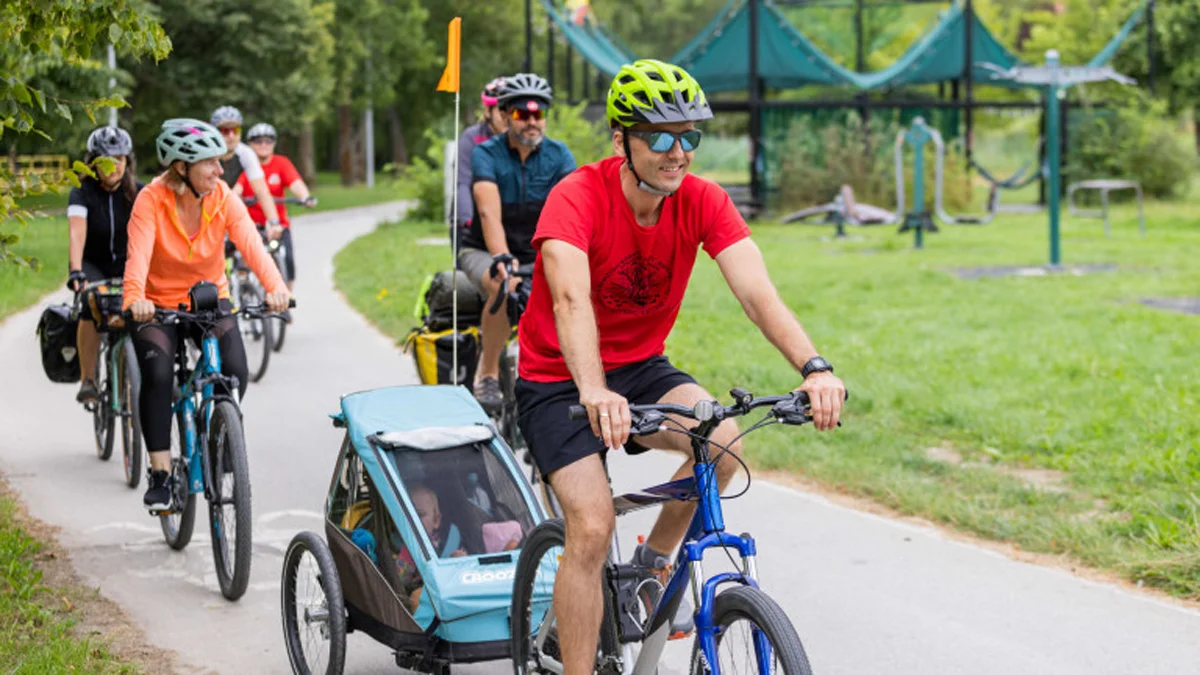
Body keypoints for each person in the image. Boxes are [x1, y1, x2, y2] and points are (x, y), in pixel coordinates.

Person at [514, 60, 847, 675]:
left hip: (640, 368)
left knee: (722, 442)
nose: (678, 152)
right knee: (590, 525)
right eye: (661, 137)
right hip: (557, 379)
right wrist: (593, 390)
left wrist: (815, 367)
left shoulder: (702, 200)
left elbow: (757, 293)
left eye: (689, 135)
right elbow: (568, 299)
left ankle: (652, 564)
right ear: (621, 141)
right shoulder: (576, 197)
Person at [123, 118, 289, 512]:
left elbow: (251, 244)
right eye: (210, 164)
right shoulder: (151, 200)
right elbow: (138, 257)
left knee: (234, 370)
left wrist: (276, 287)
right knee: (159, 375)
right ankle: (161, 473)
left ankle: (220, 441)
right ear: (182, 167)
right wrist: (135, 298)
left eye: (220, 163)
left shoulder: (223, 197)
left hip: (208, 300)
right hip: (156, 303)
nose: (220, 170)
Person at [461, 73, 576, 410]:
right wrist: (502, 257)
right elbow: (488, 215)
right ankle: (488, 373)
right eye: (521, 114)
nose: (531, 122)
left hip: (536, 251)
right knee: (502, 283)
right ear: (506, 115)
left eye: (537, 115)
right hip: (482, 249)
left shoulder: (559, 155)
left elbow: (570, 211)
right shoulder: (487, 154)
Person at [66, 126, 143, 403]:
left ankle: (148, 370)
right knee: (90, 305)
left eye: (119, 160)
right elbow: (77, 232)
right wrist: (76, 270)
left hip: (128, 263)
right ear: (94, 163)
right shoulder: (81, 192)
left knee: (147, 307)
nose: (113, 167)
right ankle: (88, 379)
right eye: (106, 161)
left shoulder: (139, 193)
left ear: (127, 163)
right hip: (92, 264)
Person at [234, 122, 314, 291]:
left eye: (268, 140)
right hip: (252, 225)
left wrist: (305, 197)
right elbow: (237, 190)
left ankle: (287, 297)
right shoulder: (247, 165)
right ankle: (244, 290)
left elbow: (295, 183)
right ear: (250, 144)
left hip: (278, 225)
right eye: (258, 141)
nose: (263, 145)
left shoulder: (281, 163)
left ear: (273, 143)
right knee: (242, 259)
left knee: (288, 261)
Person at [451, 76, 509, 245]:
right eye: (501, 110)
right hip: (472, 218)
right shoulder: (472, 138)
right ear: (488, 111)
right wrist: (466, 218)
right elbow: (462, 181)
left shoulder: (522, 140)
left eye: (511, 110)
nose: (506, 116)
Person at [209, 106, 282, 230]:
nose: (231, 136)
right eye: (225, 131)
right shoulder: (206, 153)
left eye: (235, 129)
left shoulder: (245, 153)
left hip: (231, 207)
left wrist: (274, 222)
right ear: (214, 132)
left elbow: (262, 191)